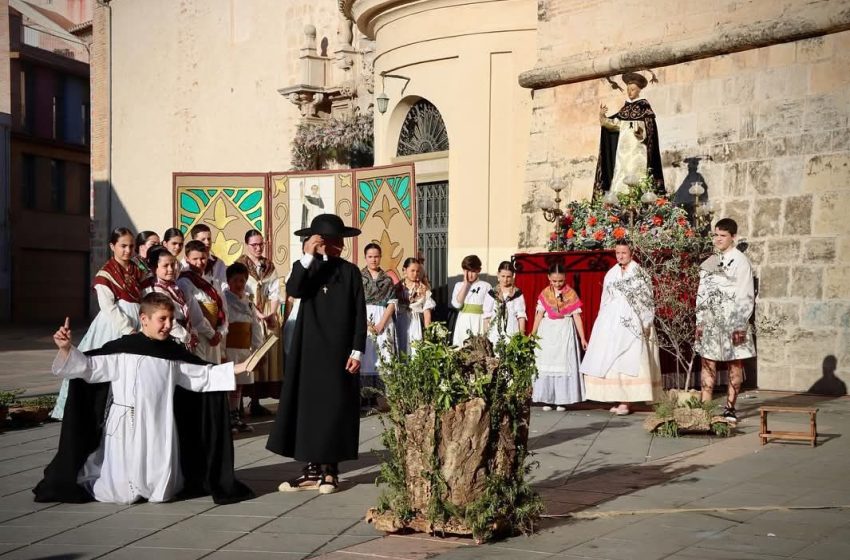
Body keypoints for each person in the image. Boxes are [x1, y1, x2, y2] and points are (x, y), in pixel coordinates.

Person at [35, 294, 253, 505]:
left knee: (160, 485)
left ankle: (154, 489)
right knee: (121, 490)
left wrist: (240, 367)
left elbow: (203, 375)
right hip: (126, 423)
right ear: (144, 319)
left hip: (161, 423)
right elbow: (88, 367)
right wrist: (66, 349)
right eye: (162, 319)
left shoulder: (173, 354)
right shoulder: (122, 351)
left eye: (171, 319)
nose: (168, 325)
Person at [266, 214, 366, 495]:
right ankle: (311, 470)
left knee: (334, 409)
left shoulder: (350, 272)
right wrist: (309, 255)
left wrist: (357, 350)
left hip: (340, 351)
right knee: (308, 409)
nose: (339, 246)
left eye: (340, 241)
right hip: (308, 351)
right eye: (332, 241)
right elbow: (294, 289)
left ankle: (330, 471)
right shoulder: (306, 268)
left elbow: (359, 313)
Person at [51, 228, 143, 421]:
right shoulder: (105, 275)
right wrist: (128, 329)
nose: (128, 250)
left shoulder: (137, 270)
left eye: (131, 246)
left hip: (139, 321)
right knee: (105, 366)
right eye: (123, 246)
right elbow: (108, 308)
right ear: (112, 246)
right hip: (114, 326)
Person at [580, 240, 663, 414]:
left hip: (632, 319)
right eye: (618, 253)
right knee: (612, 360)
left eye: (624, 253)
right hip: (612, 320)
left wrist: (646, 322)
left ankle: (627, 401)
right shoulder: (612, 273)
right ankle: (618, 398)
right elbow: (605, 297)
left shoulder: (639, 273)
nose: (620, 256)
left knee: (629, 358)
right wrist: (601, 318)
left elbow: (646, 299)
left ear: (631, 253)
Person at [695, 218, 755, 423]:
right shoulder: (710, 262)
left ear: (733, 237)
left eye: (723, 235)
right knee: (707, 362)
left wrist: (740, 325)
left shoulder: (741, 261)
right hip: (711, 320)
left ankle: (730, 408)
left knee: (734, 363)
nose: (718, 239)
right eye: (716, 235)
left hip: (733, 320)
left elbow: (746, 294)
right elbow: (701, 294)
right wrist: (700, 321)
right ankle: (704, 409)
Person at [236, 230, 283, 416]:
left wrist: (271, 313)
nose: (258, 248)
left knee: (264, 355)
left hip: (265, 313)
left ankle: (256, 401)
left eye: (261, 244)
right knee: (246, 355)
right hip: (246, 312)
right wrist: (257, 313)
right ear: (247, 245)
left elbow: (275, 292)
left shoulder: (268, 266)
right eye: (254, 245)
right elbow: (240, 292)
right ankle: (238, 403)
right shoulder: (239, 265)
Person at [595, 72, 664, 194]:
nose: (630, 92)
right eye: (628, 90)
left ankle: (639, 197)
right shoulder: (625, 109)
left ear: (639, 90)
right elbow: (615, 124)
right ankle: (620, 199)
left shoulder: (644, 107)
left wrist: (641, 133)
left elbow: (650, 130)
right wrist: (603, 117)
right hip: (622, 153)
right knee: (621, 176)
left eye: (632, 89)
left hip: (638, 151)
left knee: (637, 175)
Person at [531, 262, 587, 411]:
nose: (557, 284)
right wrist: (533, 333)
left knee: (564, 365)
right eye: (554, 281)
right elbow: (539, 314)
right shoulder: (545, 293)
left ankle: (562, 400)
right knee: (547, 363)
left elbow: (577, 317)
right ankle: (547, 399)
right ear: (549, 278)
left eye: (560, 281)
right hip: (548, 331)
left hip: (564, 330)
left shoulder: (571, 293)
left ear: (565, 278)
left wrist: (582, 337)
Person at [222, 262, 263, 433]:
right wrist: (222, 351)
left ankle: (235, 416)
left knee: (239, 385)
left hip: (244, 349)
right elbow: (223, 326)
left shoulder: (249, 303)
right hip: (230, 347)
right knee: (229, 383)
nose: (239, 284)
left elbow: (255, 326)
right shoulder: (224, 300)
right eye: (235, 280)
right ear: (228, 281)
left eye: (242, 281)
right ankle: (227, 418)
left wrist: (257, 349)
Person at [178, 240, 228, 364]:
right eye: (195, 259)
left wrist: (220, 332)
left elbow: (224, 311)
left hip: (215, 338)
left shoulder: (213, 282)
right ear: (187, 259)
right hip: (199, 336)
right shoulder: (184, 282)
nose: (199, 263)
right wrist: (211, 334)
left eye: (203, 258)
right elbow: (194, 313)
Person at [141, 246, 199, 350]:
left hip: (183, 333)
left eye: (172, 265)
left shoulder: (173, 286)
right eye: (165, 266)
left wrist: (192, 331)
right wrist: (187, 337)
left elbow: (185, 310)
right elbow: (167, 319)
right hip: (171, 336)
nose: (170, 269)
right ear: (154, 268)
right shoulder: (154, 290)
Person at [361, 243, 397, 392]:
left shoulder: (387, 279)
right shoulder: (358, 277)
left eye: (376, 256)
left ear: (380, 257)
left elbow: (392, 302)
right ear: (365, 257)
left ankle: (383, 394)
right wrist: (366, 323)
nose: (373, 260)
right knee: (366, 353)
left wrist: (382, 323)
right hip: (364, 318)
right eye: (370, 256)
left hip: (384, 319)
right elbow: (354, 302)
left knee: (384, 353)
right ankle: (365, 394)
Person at [394, 258, 435, 355]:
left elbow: (427, 313)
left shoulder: (423, 289)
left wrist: (428, 333)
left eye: (417, 271)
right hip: (400, 322)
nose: (415, 274)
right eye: (412, 270)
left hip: (416, 323)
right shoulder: (396, 288)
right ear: (404, 270)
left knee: (415, 350)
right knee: (401, 350)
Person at [483, 261, 527, 346]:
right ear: (498, 275)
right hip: (494, 334)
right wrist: (485, 337)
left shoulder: (517, 294)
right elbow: (486, 317)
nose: (505, 280)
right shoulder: (492, 293)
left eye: (508, 277)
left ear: (513, 276)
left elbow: (521, 316)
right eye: (503, 276)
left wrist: (521, 336)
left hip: (512, 332)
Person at [451, 255, 490, 346]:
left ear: (479, 270)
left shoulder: (486, 286)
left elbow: (489, 309)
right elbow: (457, 305)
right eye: (467, 271)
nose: (470, 275)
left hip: (479, 322)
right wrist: (466, 284)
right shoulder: (459, 285)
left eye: (473, 271)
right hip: (463, 321)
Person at [189, 224, 228, 294]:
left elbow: (224, 287)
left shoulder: (219, 263)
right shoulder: (186, 263)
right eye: (203, 239)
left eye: (209, 239)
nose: (207, 242)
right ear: (194, 241)